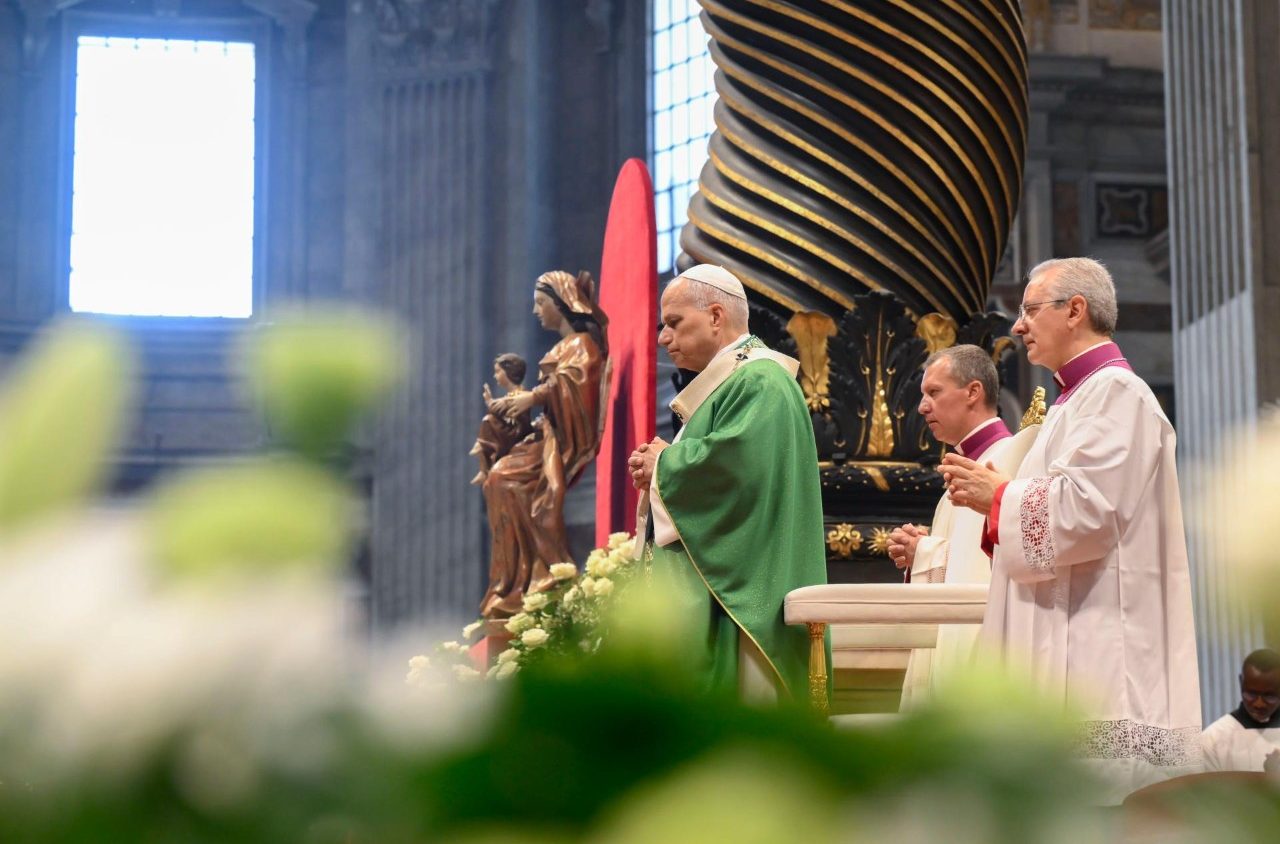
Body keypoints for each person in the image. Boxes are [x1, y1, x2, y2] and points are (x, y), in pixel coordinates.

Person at [942, 257, 1202, 801]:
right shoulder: (1074, 401)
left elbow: (1088, 512)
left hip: (1102, 650)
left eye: (1030, 310)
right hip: (1072, 634)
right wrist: (998, 504)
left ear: (1075, 310)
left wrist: (1000, 497)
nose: (1018, 326)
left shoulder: (1117, 393)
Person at [627, 264, 826, 700]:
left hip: (741, 603)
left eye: (674, 322)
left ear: (716, 316)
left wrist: (664, 464)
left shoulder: (761, 380)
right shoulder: (732, 382)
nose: (663, 338)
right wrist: (662, 466)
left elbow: (736, 472)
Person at [888, 345, 1038, 708]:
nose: (922, 407)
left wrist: (925, 552)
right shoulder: (971, 464)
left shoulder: (1005, 460)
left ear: (973, 392)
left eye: (934, 392)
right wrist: (922, 552)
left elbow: (988, 571)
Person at [480, 271, 609, 618]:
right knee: (497, 479)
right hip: (546, 432)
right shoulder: (563, 347)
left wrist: (533, 397)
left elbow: (575, 385)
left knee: (507, 481)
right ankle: (515, 584)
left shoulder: (582, 345)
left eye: (540, 303)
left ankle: (546, 575)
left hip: (558, 438)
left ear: (561, 302)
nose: (535, 311)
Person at [1200, 649, 1280, 772]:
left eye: (1269, 696)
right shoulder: (1213, 739)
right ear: (1241, 682)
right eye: (1251, 694)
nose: (1259, 704)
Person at [470, 353, 534, 486]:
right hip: (511, 430)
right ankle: (483, 466)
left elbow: (501, 407)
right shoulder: (511, 395)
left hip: (518, 434)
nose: (495, 376)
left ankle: (483, 464)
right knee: (489, 421)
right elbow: (500, 407)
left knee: (488, 420)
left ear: (509, 372)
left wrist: (490, 402)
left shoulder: (522, 396)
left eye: (498, 371)